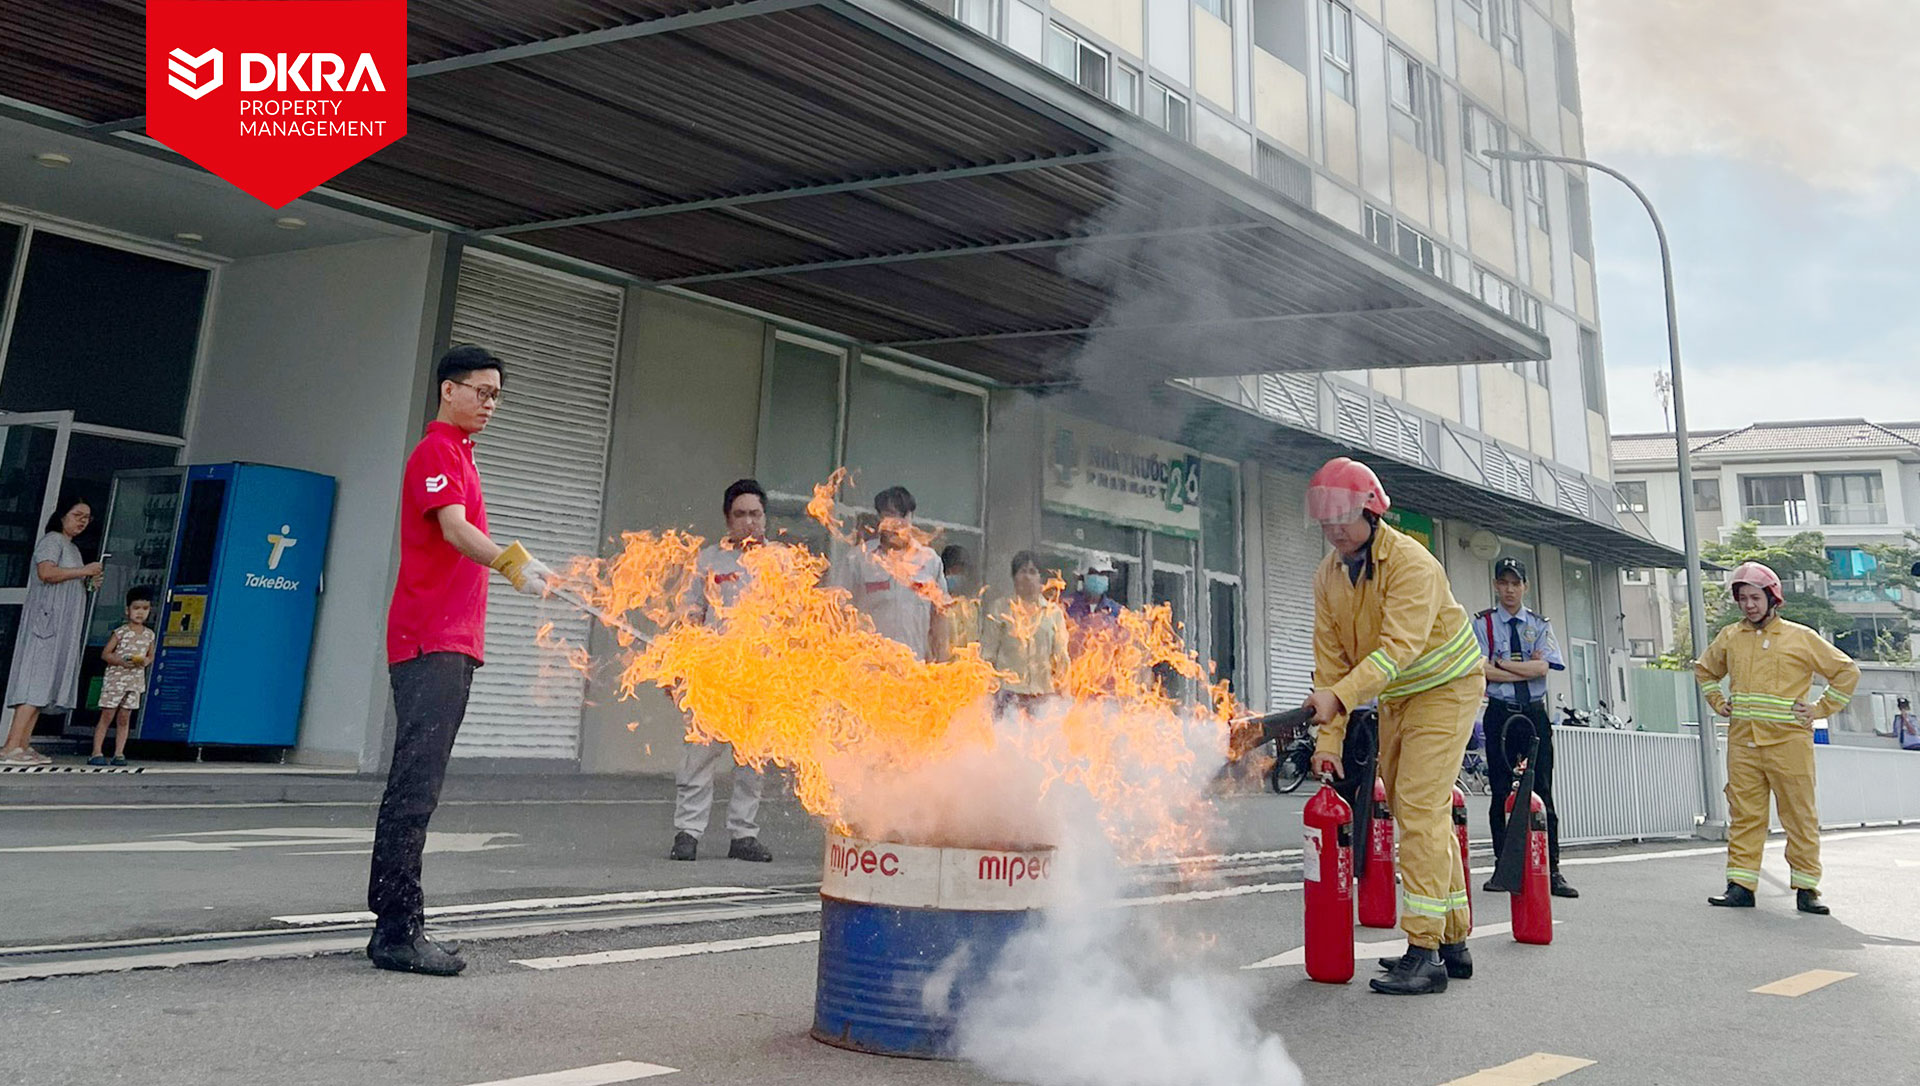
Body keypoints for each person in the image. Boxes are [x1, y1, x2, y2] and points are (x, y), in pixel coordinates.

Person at [368, 345, 556, 977]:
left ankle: (398, 924)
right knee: (413, 788)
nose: (490, 403)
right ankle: (396, 931)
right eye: (481, 391)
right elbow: (452, 529)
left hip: (452, 641)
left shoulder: (463, 456)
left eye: (497, 395)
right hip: (429, 638)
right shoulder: (437, 451)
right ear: (449, 390)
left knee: (422, 785)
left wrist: (516, 564)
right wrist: (513, 564)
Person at [1300, 457, 1483, 995]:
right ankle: (1453, 942)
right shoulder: (1328, 578)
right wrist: (1327, 743)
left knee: (1422, 808)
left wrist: (1339, 697)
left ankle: (1423, 952)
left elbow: (1395, 652)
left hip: (1446, 687)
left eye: (1342, 517)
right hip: (1398, 698)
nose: (1333, 529)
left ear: (1372, 510)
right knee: (1414, 809)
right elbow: (1329, 666)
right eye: (1325, 520)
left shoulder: (1411, 563)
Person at [1696, 561, 1859, 916]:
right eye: (1743, 599)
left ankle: (1806, 888)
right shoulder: (1730, 637)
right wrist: (1718, 701)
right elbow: (1705, 669)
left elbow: (1846, 671)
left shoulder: (1801, 637)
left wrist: (1820, 709)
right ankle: (1740, 886)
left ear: (1773, 598)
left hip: (1788, 744)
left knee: (1798, 816)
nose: (1749, 605)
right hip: (1744, 743)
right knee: (1744, 816)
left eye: (1755, 597)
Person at [669, 479, 775, 865]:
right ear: (728, 518)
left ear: (765, 518)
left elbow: (795, 619)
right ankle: (688, 833)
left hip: (761, 677)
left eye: (756, 514)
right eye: (741, 514)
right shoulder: (708, 560)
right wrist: (683, 664)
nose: (749, 521)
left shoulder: (780, 560)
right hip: (713, 677)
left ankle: (743, 836)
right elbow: (690, 611)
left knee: (752, 762)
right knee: (698, 758)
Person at [1474, 557, 1578, 899]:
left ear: (1525, 587)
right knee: (1501, 791)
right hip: (1500, 712)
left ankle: (1552, 870)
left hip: (1533, 714)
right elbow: (1481, 670)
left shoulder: (1538, 624)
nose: (1509, 590)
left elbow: (1543, 668)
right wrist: (1519, 667)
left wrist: (1502, 663)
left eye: (1515, 583)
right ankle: (1503, 868)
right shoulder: (1484, 624)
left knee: (1542, 791)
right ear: (1494, 585)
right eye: (1503, 583)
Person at [2, 498, 103, 765]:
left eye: (87, 517)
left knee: (44, 684)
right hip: (45, 624)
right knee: (34, 680)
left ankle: (23, 743)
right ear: (62, 516)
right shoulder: (52, 541)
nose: (82, 521)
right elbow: (46, 572)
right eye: (77, 514)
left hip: (60, 627)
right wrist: (83, 570)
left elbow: (69, 579)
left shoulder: (72, 548)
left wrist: (89, 579)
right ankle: (11, 744)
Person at [833, 485, 947, 661]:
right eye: (889, 514)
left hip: (915, 671)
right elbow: (838, 614)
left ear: (911, 517)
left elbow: (939, 619)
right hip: (869, 670)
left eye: (902, 515)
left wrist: (941, 661)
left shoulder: (930, 561)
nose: (896, 523)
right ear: (879, 517)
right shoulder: (858, 559)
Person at [979, 550, 1070, 712]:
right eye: (1022, 571)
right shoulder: (1000, 609)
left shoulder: (1053, 613)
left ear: (1040, 578)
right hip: (1007, 696)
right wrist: (987, 692)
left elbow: (1060, 657)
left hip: (1043, 696)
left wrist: (1063, 693)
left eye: (1032, 572)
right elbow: (987, 655)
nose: (1027, 577)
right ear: (1014, 577)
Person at [88, 586, 155, 767]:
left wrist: (144, 662)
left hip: (134, 682)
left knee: (125, 717)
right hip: (115, 680)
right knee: (107, 714)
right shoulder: (121, 632)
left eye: (145, 609)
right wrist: (120, 661)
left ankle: (119, 753)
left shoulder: (149, 635)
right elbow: (106, 654)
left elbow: (150, 656)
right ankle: (97, 751)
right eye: (136, 608)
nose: (140, 613)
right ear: (127, 610)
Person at [1062, 554, 1124, 656]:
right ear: (1082, 576)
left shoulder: (1117, 611)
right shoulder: (1066, 605)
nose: (1098, 577)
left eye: (1103, 574)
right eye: (1093, 573)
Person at [940, 544, 981, 653]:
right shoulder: (937, 606)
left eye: (962, 570)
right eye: (952, 570)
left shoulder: (972, 607)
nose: (958, 575)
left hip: (968, 666)